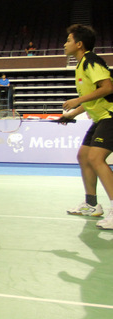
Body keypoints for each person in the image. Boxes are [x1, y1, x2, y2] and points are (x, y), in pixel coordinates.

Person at [60, 24, 113, 230]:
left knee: (96, 158)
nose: (65, 44)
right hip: (100, 117)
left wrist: (76, 100)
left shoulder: (91, 61)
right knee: (84, 156)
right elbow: (93, 99)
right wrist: (71, 114)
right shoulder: (81, 65)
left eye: (68, 40)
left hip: (111, 116)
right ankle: (92, 205)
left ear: (79, 44)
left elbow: (108, 87)